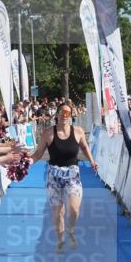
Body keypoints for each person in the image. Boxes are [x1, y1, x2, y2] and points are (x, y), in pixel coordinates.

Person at [29, 103, 97, 253]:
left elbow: (85, 148)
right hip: (54, 177)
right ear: (57, 115)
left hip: (73, 175)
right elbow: (38, 154)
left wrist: (92, 161)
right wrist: (26, 162)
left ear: (71, 115)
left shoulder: (78, 131)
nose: (64, 116)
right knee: (58, 212)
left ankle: (70, 229)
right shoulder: (48, 133)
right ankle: (60, 241)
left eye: (68, 113)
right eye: (62, 113)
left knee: (74, 209)